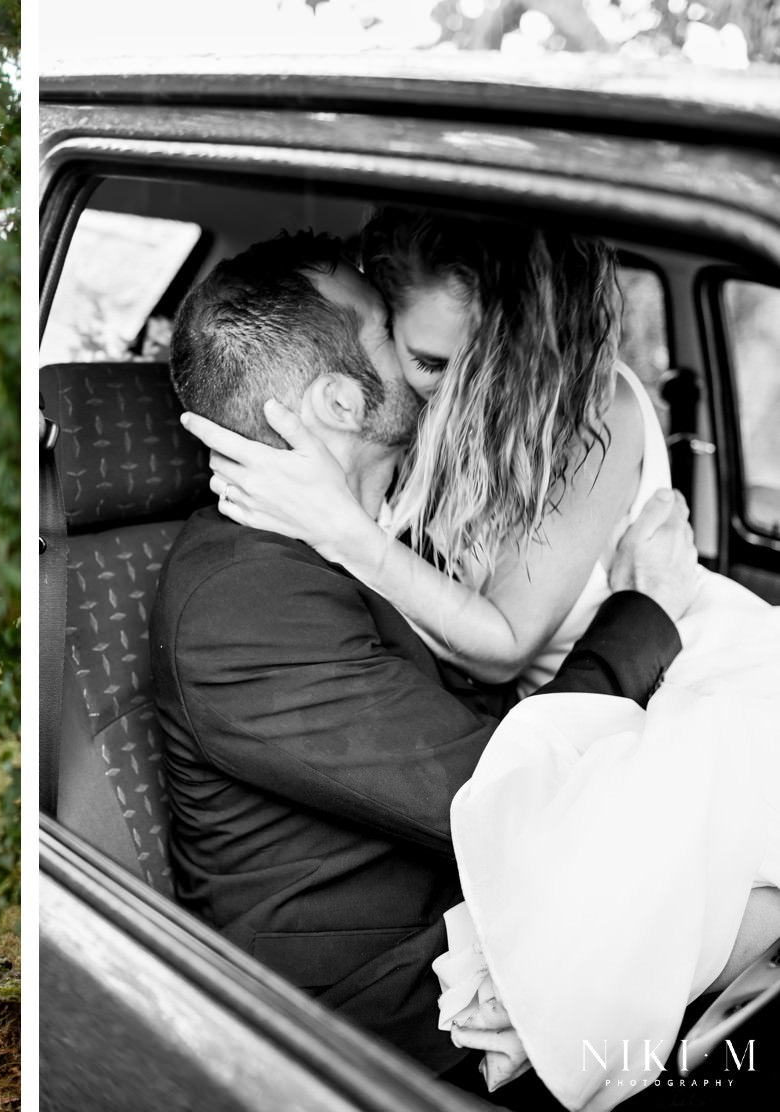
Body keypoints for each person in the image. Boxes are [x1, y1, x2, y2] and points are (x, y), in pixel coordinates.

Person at [178, 214, 780, 1110]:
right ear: (342, 404)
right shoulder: (245, 604)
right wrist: (642, 605)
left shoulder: (379, 499)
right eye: (395, 341)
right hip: (379, 1006)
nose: (442, 394)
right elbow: (491, 785)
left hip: (599, 719)